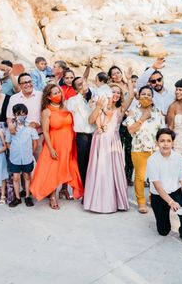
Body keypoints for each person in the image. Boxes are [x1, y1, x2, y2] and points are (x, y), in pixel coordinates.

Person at [83, 82, 134, 214]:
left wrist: (126, 80)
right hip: (99, 140)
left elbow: (132, 95)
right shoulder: (100, 105)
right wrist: (98, 107)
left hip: (113, 141)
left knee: (113, 170)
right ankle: (97, 202)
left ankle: (115, 202)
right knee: (99, 169)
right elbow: (90, 121)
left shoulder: (120, 109)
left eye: (118, 92)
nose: (116, 94)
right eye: (113, 92)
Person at [30, 85, 83, 208]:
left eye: (59, 92)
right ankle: (52, 196)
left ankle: (64, 190)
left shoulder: (67, 107)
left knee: (67, 167)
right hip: (54, 143)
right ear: (48, 97)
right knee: (53, 170)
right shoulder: (46, 111)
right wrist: (50, 148)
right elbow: (46, 132)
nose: (58, 95)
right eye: (54, 93)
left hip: (69, 142)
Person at [146, 128, 182, 244]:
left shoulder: (178, 158)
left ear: (172, 142)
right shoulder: (152, 160)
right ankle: (164, 215)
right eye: (162, 141)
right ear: (157, 142)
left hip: (175, 191)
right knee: (163, 231)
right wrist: (171, 202)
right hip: (159, 196)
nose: (165, 144)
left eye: (168, 140)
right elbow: (157, 186)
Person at [123, 85, 165, 213]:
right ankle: (141, 202)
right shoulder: (133, 111)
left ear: (152, 98)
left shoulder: (158, 111)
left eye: (149, 94)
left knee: (155, 177)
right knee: (140, 177)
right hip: (138, 148)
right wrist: (143, 118)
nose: (146, 96)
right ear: (139, 96)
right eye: (143, 94)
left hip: (155, 149)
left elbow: (162, 131)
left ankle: (154, 199)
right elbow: (131, 130)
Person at [5, 104, 38, 208]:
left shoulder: (30, 128)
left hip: (27, 157)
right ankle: (17, 198)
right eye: (19, 114)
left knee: (27, 176)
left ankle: (28, 196)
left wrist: (31, 152)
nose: (21, 117)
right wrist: (13, 151)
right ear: (14, 115)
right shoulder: (11, 129)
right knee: (16, 177)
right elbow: (8, 142)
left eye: (24, 114)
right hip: (15, 158)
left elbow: (35, 142)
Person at [66, 76, 96, 185]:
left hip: (95, 135)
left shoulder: (94, 96)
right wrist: (81, 94)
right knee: (83, 163)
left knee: (95, 163)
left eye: (83, 83)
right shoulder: (73, 100)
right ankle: (84, 189)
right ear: (75, 89)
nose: (83, 85)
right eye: (79, 84)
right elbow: (71, 108)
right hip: (82, 136)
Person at [6, 73, 42, 148]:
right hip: (21, 137)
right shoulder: (14, 98)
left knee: (40, 159)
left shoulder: (41, 95)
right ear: (19, 85)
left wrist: (38, 124)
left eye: (30, 81)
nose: (28, 84)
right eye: (25, 83)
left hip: (39, 135)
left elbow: (47, 115)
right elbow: (10, 117)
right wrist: (10, 125)